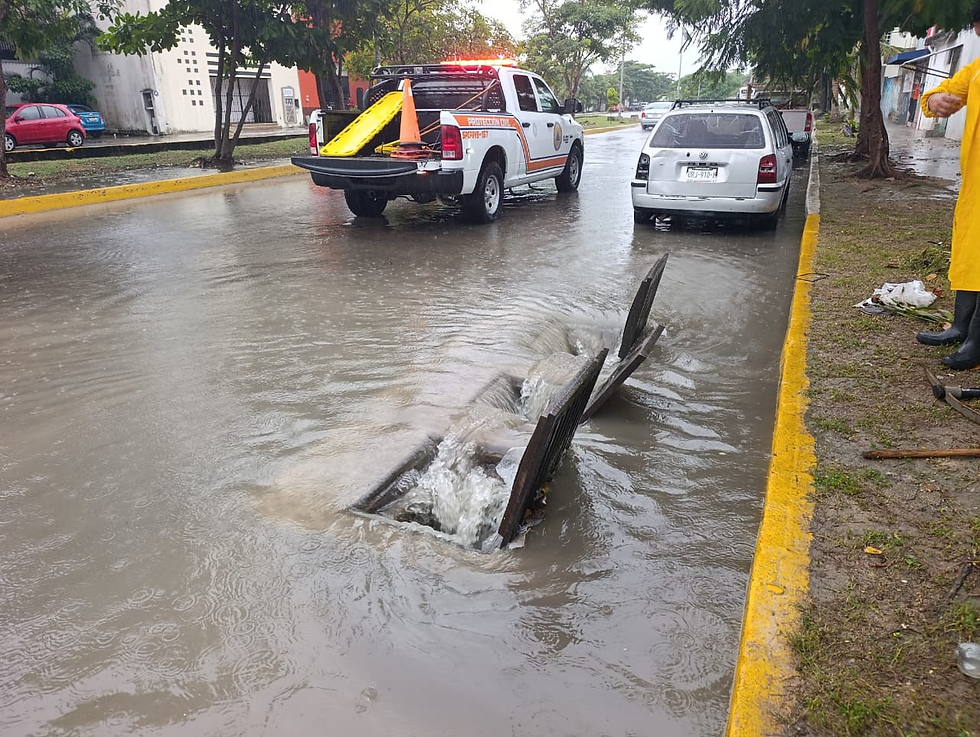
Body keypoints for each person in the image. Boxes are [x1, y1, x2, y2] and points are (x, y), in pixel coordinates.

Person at [916, 1, 980, 370]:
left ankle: (976, 340)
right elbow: (939, 96)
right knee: (970, 251)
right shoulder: (975, 71)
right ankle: (960, 325)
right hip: (974, 182)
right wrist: (934, 99)